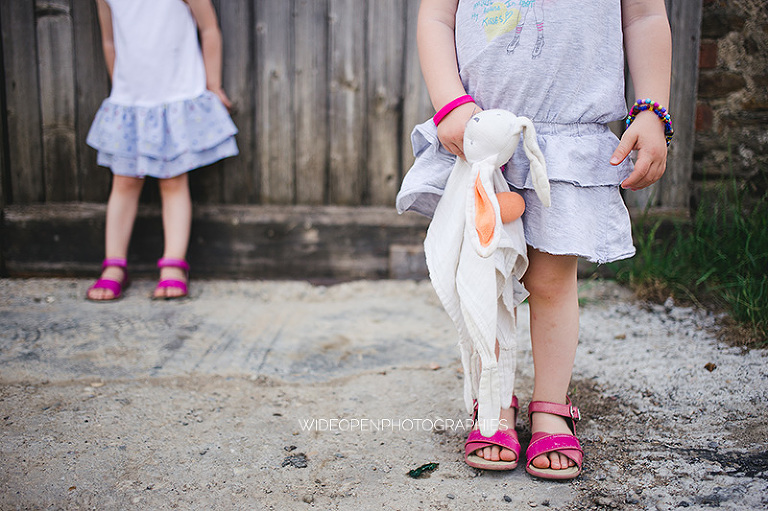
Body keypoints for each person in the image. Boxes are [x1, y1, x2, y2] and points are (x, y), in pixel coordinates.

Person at [396, 0, 671, 479]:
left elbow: (645, 16)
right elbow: (436, 17)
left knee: (551, 282)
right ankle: (495, 401)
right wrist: (449, 103)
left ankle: (550, 405)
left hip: (567, 138)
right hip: (483, 137)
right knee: (486, 277)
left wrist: (651, 108)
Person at [86, 0, 238, 301]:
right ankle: (114, 266)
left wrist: (213, 85)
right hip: (131, 104)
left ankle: (173, 265)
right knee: (124, 182)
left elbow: (209, 29)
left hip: (175, 98)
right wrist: (124, 91)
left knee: (173, 181)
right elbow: (109, 41)